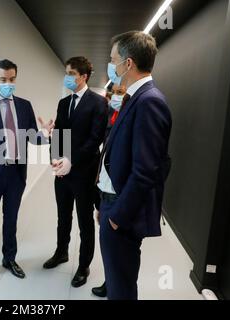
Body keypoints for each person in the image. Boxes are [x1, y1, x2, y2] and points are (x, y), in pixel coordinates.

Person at [0, 59, 54, 288]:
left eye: (12, 79)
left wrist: (45, 135)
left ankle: (9, 259)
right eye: (3, 80)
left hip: (15, 173)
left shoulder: (25, 106)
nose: (8, 83)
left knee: (11, 219)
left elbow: (32, 138)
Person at [96, 31, 172, 300]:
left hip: (121, 212)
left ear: (128, 63)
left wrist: (117, 215)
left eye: (113, 59)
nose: (111, 65)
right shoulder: (134, 98)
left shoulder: (149, 102)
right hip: (111, 202)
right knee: (117, 278)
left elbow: (146, 171)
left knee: (121, 288)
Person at [42, 56, 108, 288]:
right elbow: (58, 135)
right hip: (62, 174)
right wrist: (56, 161)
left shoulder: (98, 103)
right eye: (66, 73)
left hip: (84, 174)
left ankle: (83, 265)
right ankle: (62, 252)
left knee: (84, 221)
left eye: (71, 73)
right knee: (63, 216)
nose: (67, 77)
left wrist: (72, 161)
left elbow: (95, 139)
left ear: (83, 77)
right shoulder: (64, 103)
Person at [92, 82, 127, 298]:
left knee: (119, 250)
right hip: (104, 190)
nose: (116, 96)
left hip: (119, 196)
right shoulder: (109, 117)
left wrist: (121, 210)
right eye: (113, 92)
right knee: (108, 245)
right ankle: (110, 282)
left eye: (121, 92)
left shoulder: (132, 117)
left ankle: (115, 286)